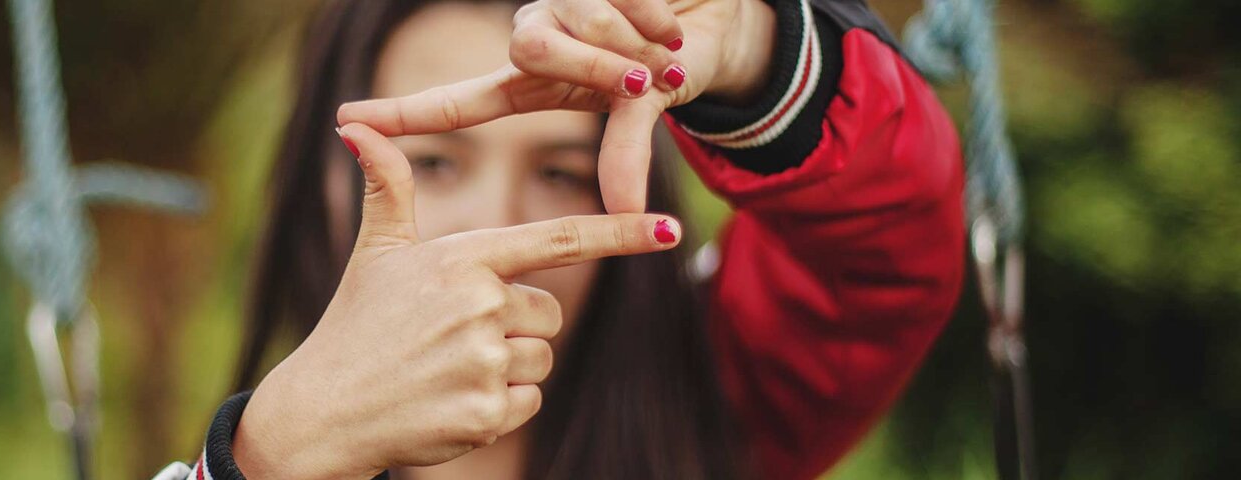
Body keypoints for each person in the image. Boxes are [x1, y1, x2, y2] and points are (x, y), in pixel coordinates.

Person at [153, 0, 965, 478]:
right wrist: (268, 458)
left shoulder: (720, 400)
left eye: (561, 173)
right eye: (433, 164)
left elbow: (885, 246)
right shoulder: (254, 454)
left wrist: (762, 52)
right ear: (317, 188)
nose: (499, 223)